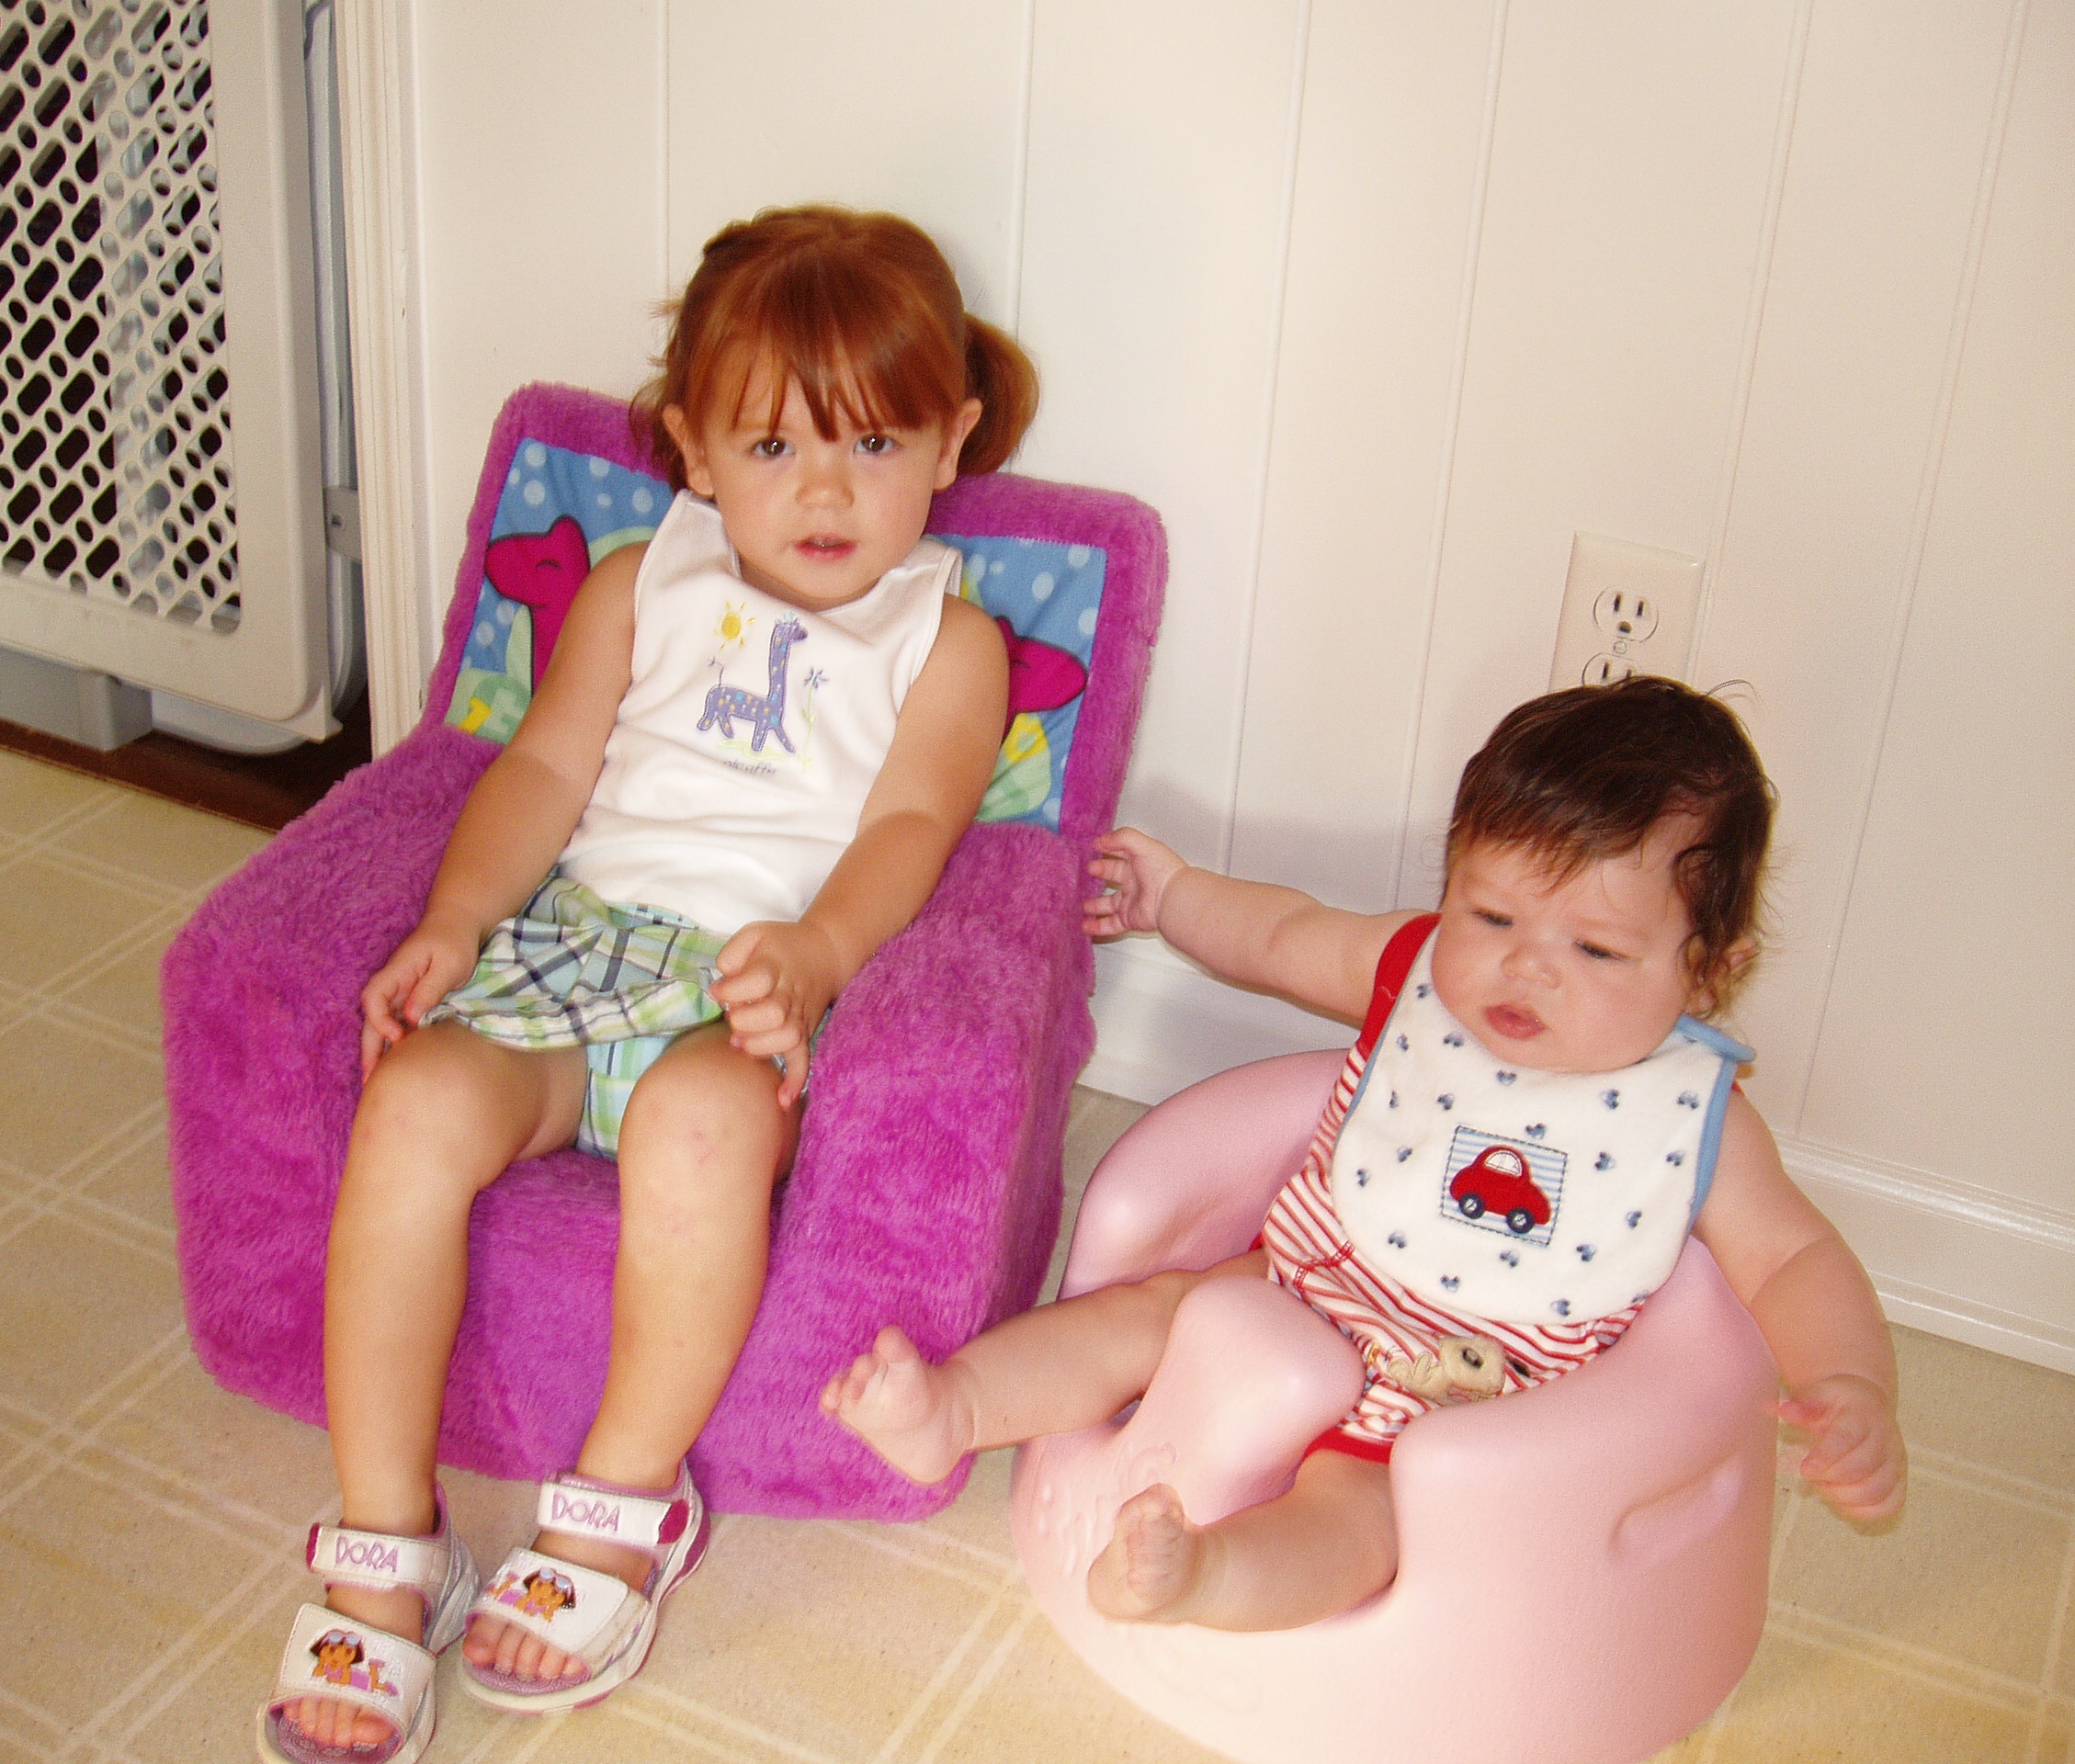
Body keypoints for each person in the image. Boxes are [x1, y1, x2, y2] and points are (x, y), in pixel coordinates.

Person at [261, 205, 1036, 1761]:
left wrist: (817, 957)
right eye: (771, 446)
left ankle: (622, 1500)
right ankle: (386, 1535)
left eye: (876, 443)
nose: (825, 491)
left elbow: (910, 829)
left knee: (700, 1127)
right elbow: (544, 771)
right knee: (411, 1106)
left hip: (751, 987)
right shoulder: (637, 582)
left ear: (951, 440)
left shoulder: (947, 641)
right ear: (691, 448)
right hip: (576, 948)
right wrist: (458, 922)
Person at [824, 676, 1906, 1634]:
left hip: (1463, 1396)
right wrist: (1173, 898)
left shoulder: (1690, 1115)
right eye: (1491, 914)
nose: (1525, 968)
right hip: (1294, 1282)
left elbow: (1793, 1260)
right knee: (1148, 1311)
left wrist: (1848, 1384)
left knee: (1361, 1524)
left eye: (1594, 948)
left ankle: (1201, 1577)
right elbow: (1284, 936)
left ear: (1709, 970)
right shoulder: (1417, 974)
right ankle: (954, 1410)